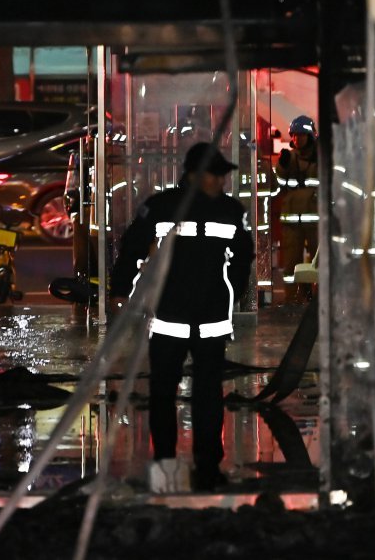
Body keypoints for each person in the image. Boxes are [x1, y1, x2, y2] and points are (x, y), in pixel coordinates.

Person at [111, 142, 254, 492]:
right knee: (174, 392)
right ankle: (179, 464)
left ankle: (192, 466)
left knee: (195, 393)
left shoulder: (224, 210)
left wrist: (231, 291)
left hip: (196, 318)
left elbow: (244, 255)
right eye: (216, 174)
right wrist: (120, 292)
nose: (222, 181)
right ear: (194, 175)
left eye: (223, 175)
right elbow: (131, 248)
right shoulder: (167, 207)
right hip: (179, 317)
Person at [273, 115, 319, 303]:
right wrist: (281, 167)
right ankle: (291, 299)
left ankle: (319, 299)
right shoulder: (288, 158)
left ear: (310, 136)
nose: (296, 139)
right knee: (291, 264)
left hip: (315, 220)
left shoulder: (320, 158)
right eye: (294, 135)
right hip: (292, 220)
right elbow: (280, 185)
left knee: (319, 262)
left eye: (301, 135)